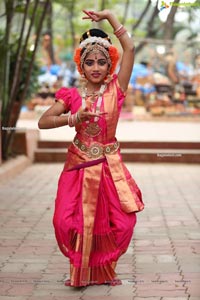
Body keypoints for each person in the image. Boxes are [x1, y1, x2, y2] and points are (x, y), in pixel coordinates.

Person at [38, 9, 144, 287]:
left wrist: (109, 16)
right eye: (90, 62)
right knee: (65, 221)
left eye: (101, 62)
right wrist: (72, 118)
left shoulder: (116, 90)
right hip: (78, 166)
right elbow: (43, 121)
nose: (96, 67)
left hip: (109, 166)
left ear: (110, 65)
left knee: (121, 224)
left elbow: (130, 47)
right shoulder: (71, 95)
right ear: (81, 67)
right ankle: (80, 268)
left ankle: (102, 269)